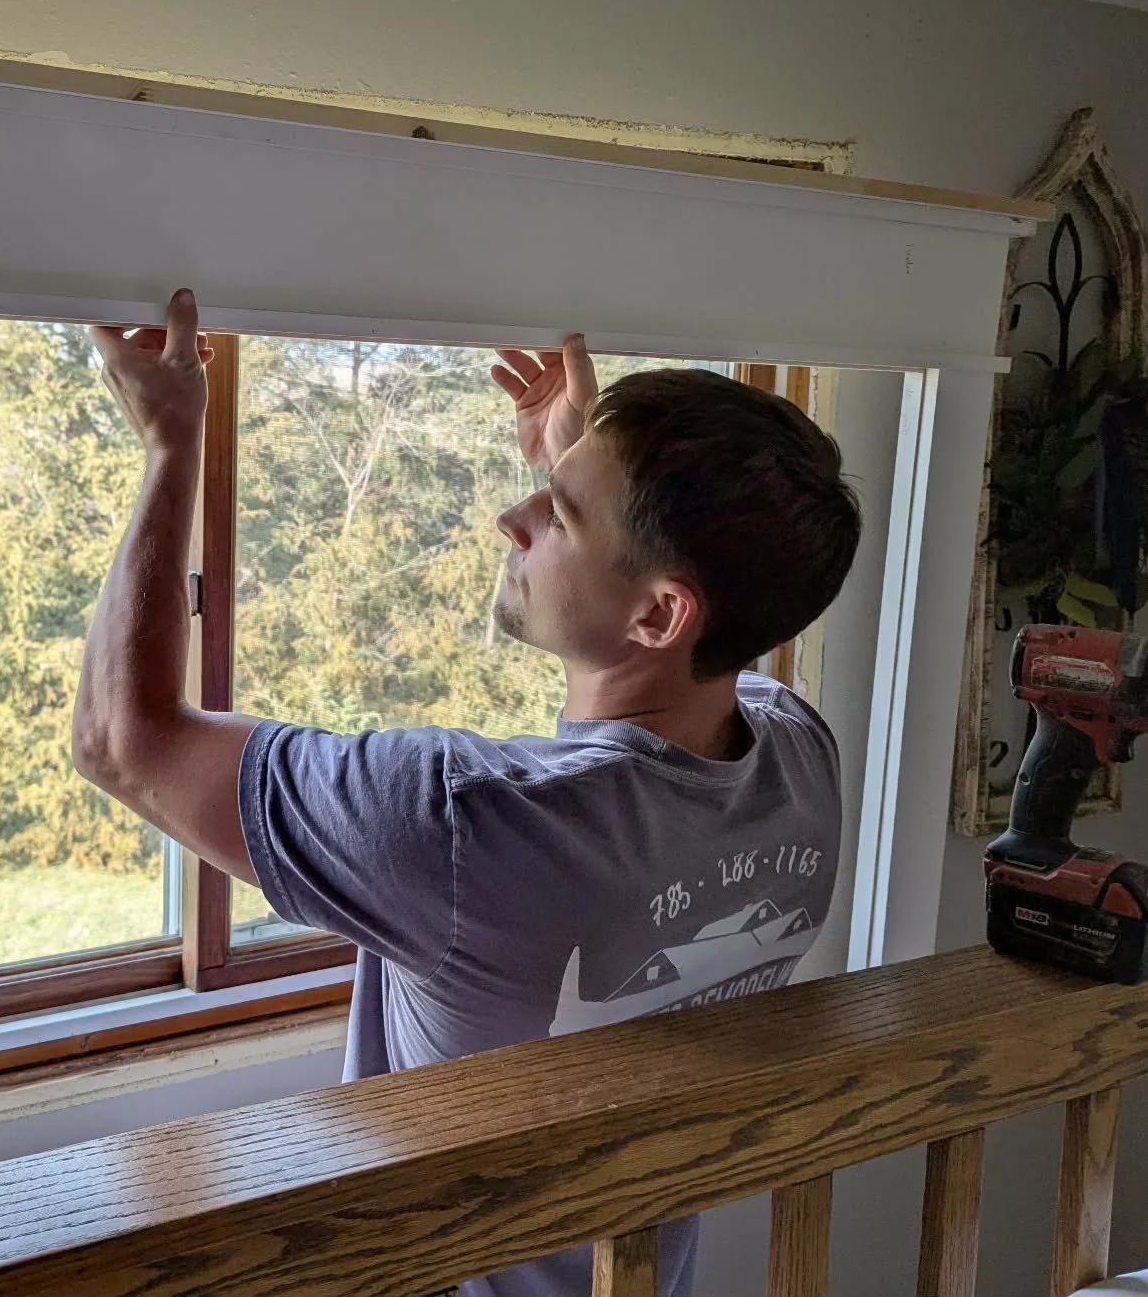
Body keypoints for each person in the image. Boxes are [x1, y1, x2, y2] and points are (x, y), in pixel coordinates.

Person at [72, 288, 862, 1297]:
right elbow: (673, 677)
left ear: (662, 612)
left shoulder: (460, 824)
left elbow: (120, 740)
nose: (511, 514)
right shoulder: (800, 763)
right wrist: (580, 467)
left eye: (558, 513)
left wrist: (170, 446)